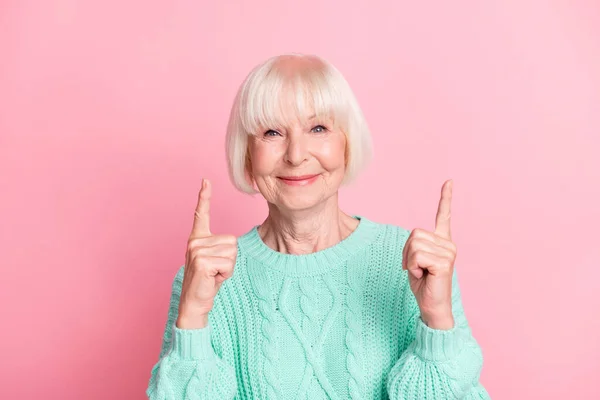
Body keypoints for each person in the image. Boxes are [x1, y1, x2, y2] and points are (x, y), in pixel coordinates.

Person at [146, 53, 491, 399]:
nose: (296, 154)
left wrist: (436, 321)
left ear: (347, 145)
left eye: (318, 128)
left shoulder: (413, 266)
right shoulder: (206, 279)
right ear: (247, 155)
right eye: (272, 132)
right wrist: (192, 319)